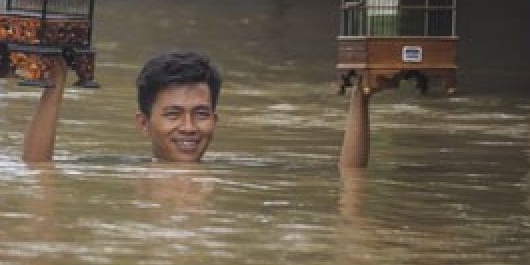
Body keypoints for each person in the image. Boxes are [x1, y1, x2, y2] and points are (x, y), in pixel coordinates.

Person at [22, 49, 370, 166]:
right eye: (172, 114)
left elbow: (349, 177)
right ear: (144, 124)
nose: (189, 128)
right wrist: (54, 85)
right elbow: (39, 169)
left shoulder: (235, 172)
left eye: (201, 114)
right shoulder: (123, 169)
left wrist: (361, 96)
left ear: (216, 120)